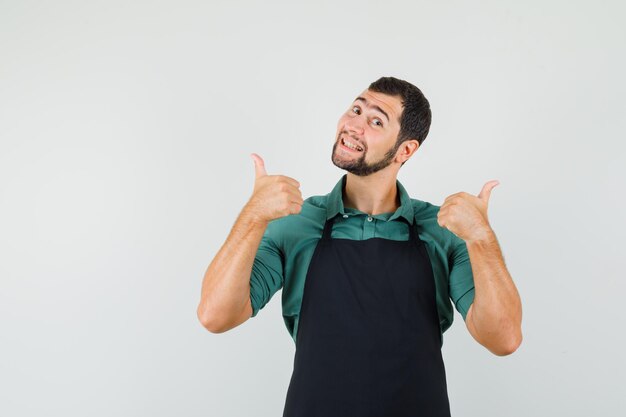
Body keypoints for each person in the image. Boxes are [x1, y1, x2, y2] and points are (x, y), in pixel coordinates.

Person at [197, 76, 523, 416]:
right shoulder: (296, 222)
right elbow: (215, 316)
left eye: (376, 120)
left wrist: (481, 238)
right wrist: (253, 216)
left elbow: (504, 339)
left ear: (405, 150)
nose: (354, 125)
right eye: (355, 109)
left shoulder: (442, 231)